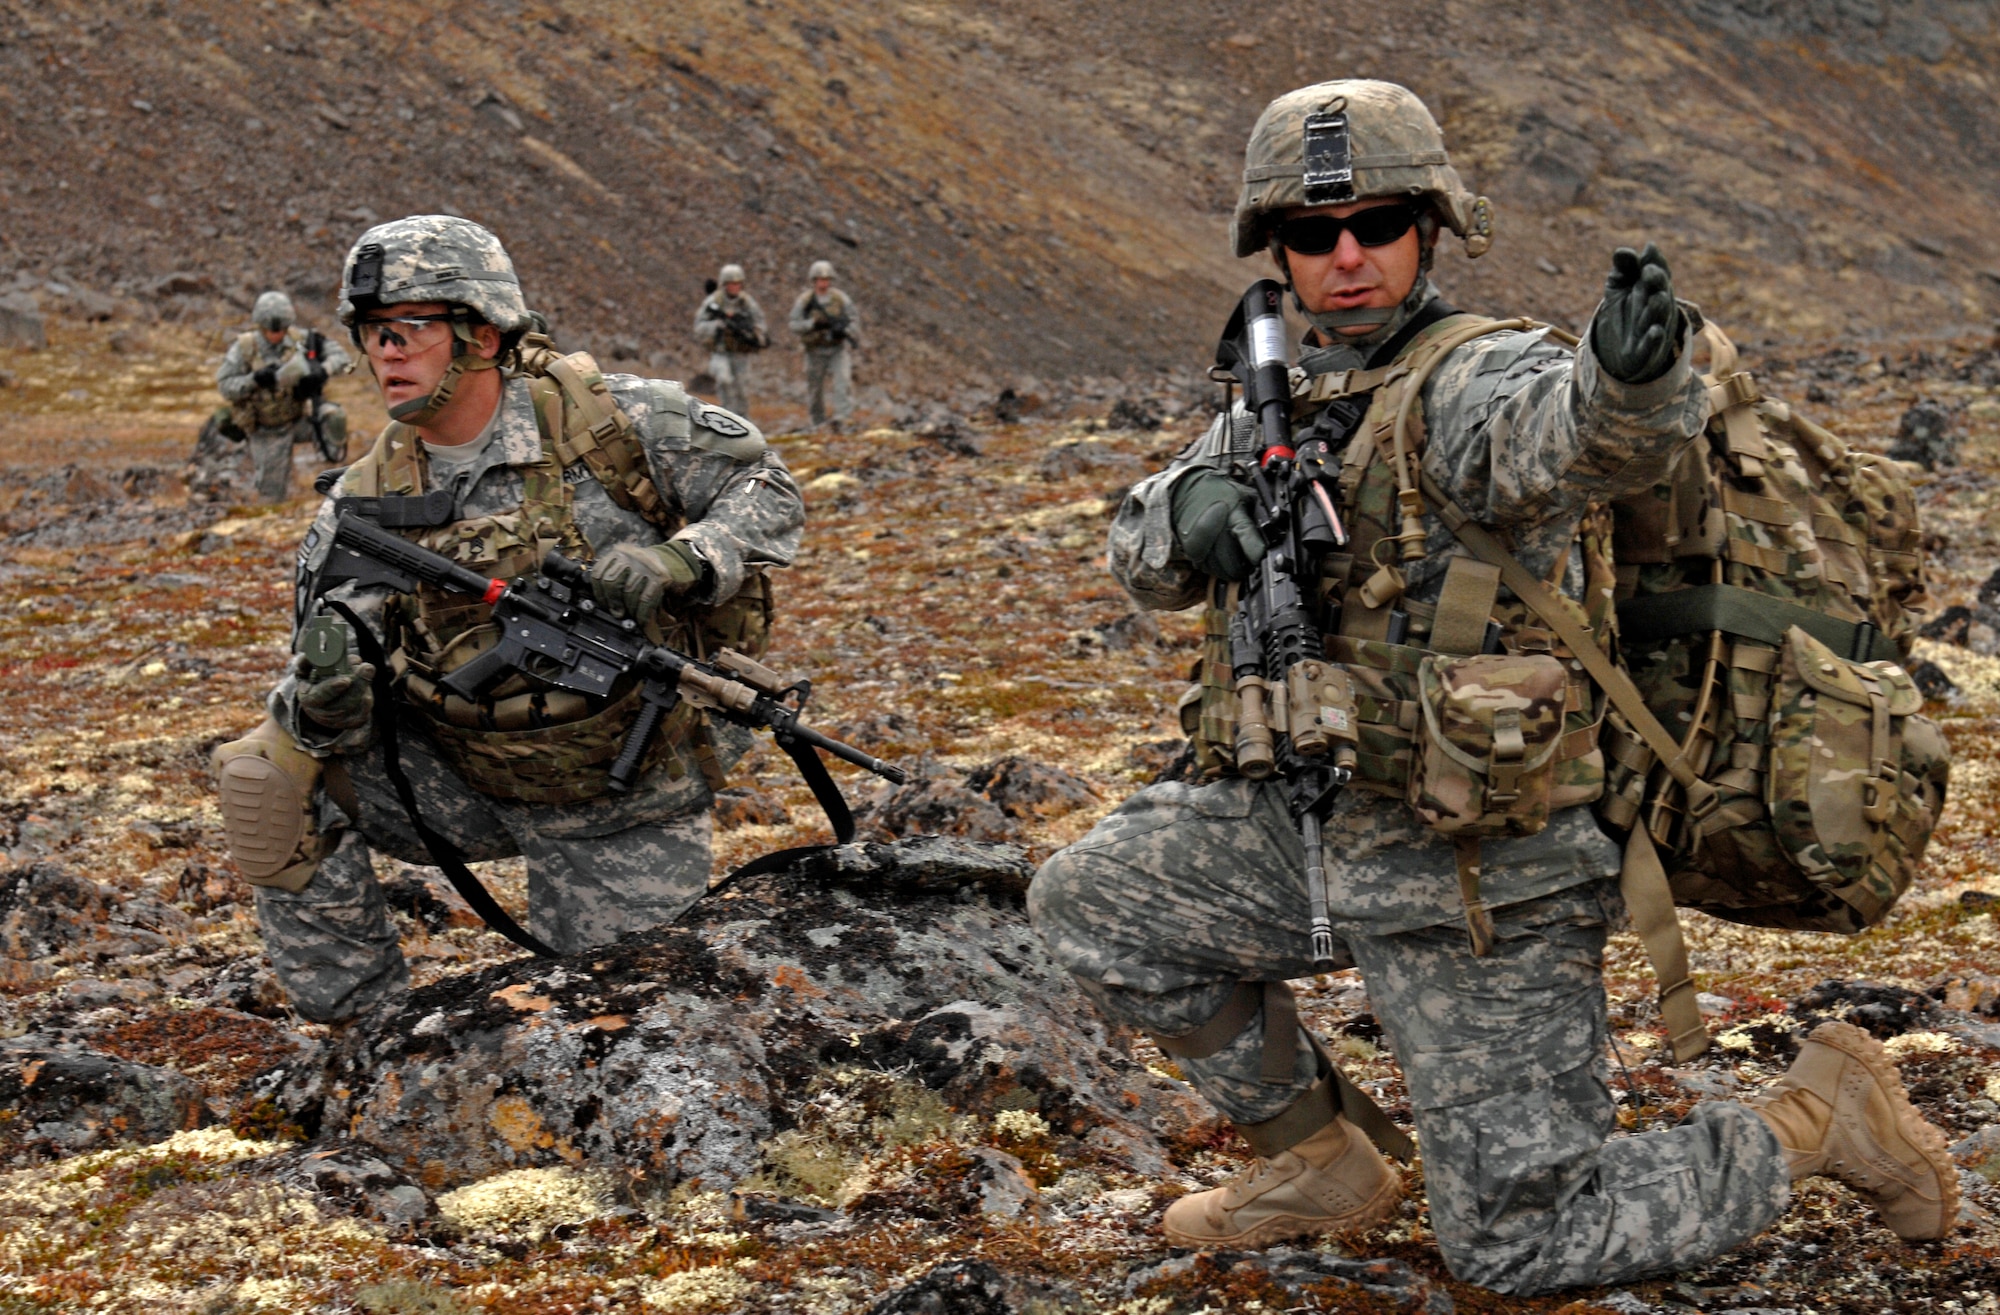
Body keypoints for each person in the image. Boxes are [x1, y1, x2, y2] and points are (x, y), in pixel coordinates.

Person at [1027, 80, 1957, 1296]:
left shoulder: (1475, 382)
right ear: (1279, 250)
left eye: (1377, 224)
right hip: (1303, 828)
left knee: (1520, 1248)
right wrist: (1184, 512)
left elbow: (1568, 436)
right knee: (1094, 903)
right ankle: (1314, 1156)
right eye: (1313, 235)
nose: (1345, 256)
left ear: (1432, 228)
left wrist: (1626, 380)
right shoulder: (1287, 400)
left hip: (1479, 874)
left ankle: (1810, 1121)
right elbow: (1139, 554)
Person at [212, 216, 804, 1023]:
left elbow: (768, 488)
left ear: (482, 336)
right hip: (464, 776)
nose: (385, 352)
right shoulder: (363, 498)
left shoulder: (613, 425)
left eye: (410, 329)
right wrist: (329, 698)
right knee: (267, 770)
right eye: (372, 333)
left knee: (619, 1020)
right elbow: (319, 660)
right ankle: (362, 1033)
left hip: (617, 792)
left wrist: (687, 558)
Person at [212, 290, 353, 502]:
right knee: (271, 496)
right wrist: (254, 380)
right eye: (271, 330)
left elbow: (341, 357)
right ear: (260, 325)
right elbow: (225, 386)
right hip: (265, 430)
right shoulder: (245, 348)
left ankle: (332, 474)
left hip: (298, 420)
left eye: (281, 329)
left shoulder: (303, 340)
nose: (276, 334)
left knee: (334, 416)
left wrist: (322, 370)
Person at [787, 259, 861, 432]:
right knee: (815, 389)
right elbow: (793, 324)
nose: (824, 282)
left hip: (837, 348)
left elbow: (854, 319)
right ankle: (817, 422)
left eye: (827, 279)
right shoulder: (805, 301)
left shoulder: (840, 298)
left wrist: (844, 330)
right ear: (814, 280)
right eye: (820, 279)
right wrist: (812, 324)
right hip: (815, 350)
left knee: (843, 382)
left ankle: (844, 419)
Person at [692, 263, 768, 418]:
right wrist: (716, 326)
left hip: (741, 353)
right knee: (724, 380)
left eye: (738, 284)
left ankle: (743, 422)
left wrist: (752, 333)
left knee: (742, 389)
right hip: (720, 351)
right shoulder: (714, 302)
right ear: (724, 284)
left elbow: (760, 324)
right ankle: (727, 418)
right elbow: (699, 327)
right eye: (731, 284)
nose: (735, 287)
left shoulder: (747, 303)